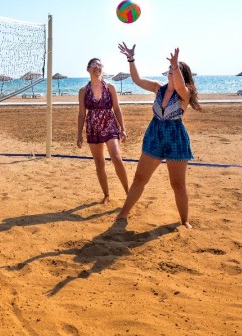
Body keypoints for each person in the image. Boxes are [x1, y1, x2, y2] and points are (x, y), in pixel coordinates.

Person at [115, 43, 202, 228]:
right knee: (140, 178)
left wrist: (175, 65)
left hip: (175, 137)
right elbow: (137, 79)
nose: (170, 72)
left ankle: (184, 221)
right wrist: (131, 59)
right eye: (169, 69)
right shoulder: (158, 88)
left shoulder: (185, 93)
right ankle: (123, 214)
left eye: (174, 70)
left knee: (177, 184)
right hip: (154, 133)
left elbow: (179, 86)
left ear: (181, 74)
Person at [77, 58, 129, 203]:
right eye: (94, 65)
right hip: (92, 127)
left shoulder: (110, 87)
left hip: (109, 124)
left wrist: (123, 129)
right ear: (88, 69)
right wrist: (79, 135)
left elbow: (117, 109)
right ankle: (106, 195)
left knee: (117, 158)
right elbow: (81, 114)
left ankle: (128, 192)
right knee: (99, 163)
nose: (97, 67)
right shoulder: (83, 91)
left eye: (99, 65)